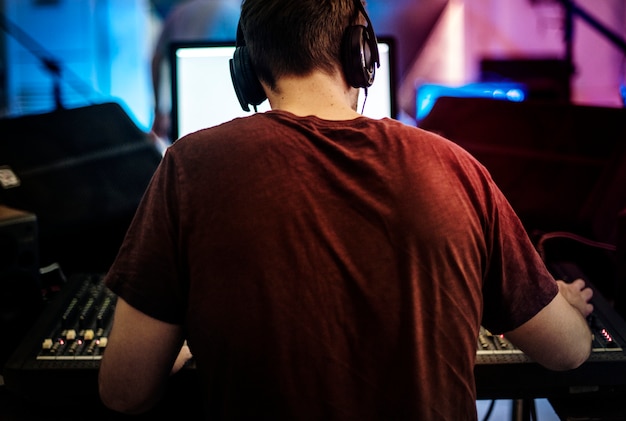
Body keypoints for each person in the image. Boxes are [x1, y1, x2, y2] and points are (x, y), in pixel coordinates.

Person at [98, 0, 594, 419]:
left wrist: (186, 341)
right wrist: (560, 304)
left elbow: (124, 391)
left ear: (246, 71)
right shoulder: (455, 167)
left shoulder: (189, 168)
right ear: (362, 55)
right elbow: (568, 352)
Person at [150, 0, 240, 143]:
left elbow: (156, 59)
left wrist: (158, 111)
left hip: (184, 107)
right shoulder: (235, 10)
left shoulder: (178, 11)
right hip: (224, 105)